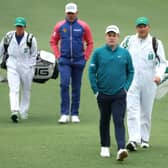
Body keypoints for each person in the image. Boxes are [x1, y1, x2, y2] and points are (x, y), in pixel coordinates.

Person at [121, 17, 167, 151]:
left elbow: (163, 62)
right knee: (132, 109)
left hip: (149, 80)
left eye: (144, 26)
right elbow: (120, 54)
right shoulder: (129, 41)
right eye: (139, 26)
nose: (142, 29)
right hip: (132, 80)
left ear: (148, 28)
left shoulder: (155, 43)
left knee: (146, 111)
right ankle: (133, 139)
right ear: (136, 28)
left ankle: (144, 138)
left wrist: (159, 75)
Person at [88, 25, 134, 161]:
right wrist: (95, 90)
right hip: (102, 93)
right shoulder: (98, 53)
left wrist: (126, 88)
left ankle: (121, 148)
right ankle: (105, 146)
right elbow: (91, 72)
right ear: (105, 36)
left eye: (114, 35)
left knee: (119, 120)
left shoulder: (124, 53)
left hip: (119, 93)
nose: (111, 37)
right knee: (104, 120)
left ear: (118, 37)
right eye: (109, 35)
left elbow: (131, 71)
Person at [50, 2, 93, 123]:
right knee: (64, 85)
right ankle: (64, 113)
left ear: (77, 13)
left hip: (79, 60)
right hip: (64, 61)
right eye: (69, 13)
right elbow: (53, 41)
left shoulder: (83, 26)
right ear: (65, 13)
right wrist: (58, 55)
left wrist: (85, 57)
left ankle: (74, 113)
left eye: (73, 13)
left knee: (76, 87)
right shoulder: (59, 26)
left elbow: (90, 43)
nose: (71, 15)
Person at [0, 17, 37, 123]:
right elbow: (1, 49)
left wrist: (30, 66)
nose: (19, 28)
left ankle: (23, 111)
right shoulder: (9, 36)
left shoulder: (30, 39)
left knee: (26, 89)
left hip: (26, 67)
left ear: (24, 27)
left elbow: (34, 54)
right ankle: (14, 111)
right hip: (12, 65)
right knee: (14, 89)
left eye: (21, 26)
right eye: (17, 26)